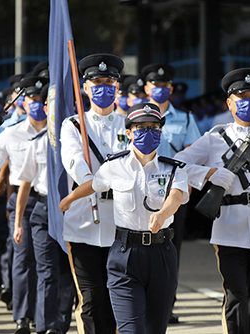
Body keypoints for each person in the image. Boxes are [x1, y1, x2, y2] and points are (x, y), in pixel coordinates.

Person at [174, 67, 250, 334]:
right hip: (229, 228)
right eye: (242, 97)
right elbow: (178, 163)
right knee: (236, 296)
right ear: (229, 103)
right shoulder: (216, 138)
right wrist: (210, 174)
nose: (249, 102)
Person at [60, 102, 188, 334]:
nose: (148, 133)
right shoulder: (114, 165)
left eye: (153, 127)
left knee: (155, 328)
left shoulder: (174, 169)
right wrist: (70, 199)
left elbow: (176, 197)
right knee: (131, 330)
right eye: (140, 128)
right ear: (128, 133)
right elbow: (93, 185)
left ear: (161, 131)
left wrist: (162, 215)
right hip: (125, 255)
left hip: (161, 255)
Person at [60, 53, 126, 334]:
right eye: (96, 82)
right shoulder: (73, 125)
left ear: (117, 87)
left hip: (123, 222)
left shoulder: (131, 125)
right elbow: (74, 162)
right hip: (85, 221)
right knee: (92, 299)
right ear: (85, 88)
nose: (103, 88)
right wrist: (95, 182)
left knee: (117, 298)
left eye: (108, 82)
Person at [141, 62, 201, 323]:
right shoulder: (135, 117)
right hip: (141, 193)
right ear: (146, 88)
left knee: (170, 251)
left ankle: (167, 305)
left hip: (173, 194)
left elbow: (193, 154)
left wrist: (184, 188)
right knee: (138, 249)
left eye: (165, 86)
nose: (161, 90)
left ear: (171, 89)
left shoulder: (185, 118)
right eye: (156, 85)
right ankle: (138, 303)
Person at [14, 85, 75, 334]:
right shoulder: (37, 144)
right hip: (42, 211)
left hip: (72, 212)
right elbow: (25, 185)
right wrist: (18, 222)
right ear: (47, 110)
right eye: (53, 108)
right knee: (46, 271)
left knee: (67, 273)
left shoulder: (79, 143)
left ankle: (61, 324)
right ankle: (45, 327)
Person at [0, 74, 50, 334]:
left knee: (49, 263)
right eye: (31, 98)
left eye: (41, 98)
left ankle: (46, 317)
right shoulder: (11, 134)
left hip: (53, 201)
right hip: (23, 202)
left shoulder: (62, 131)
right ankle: (22, 317)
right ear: (24, 101)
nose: (36, 103)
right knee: (23, 258)